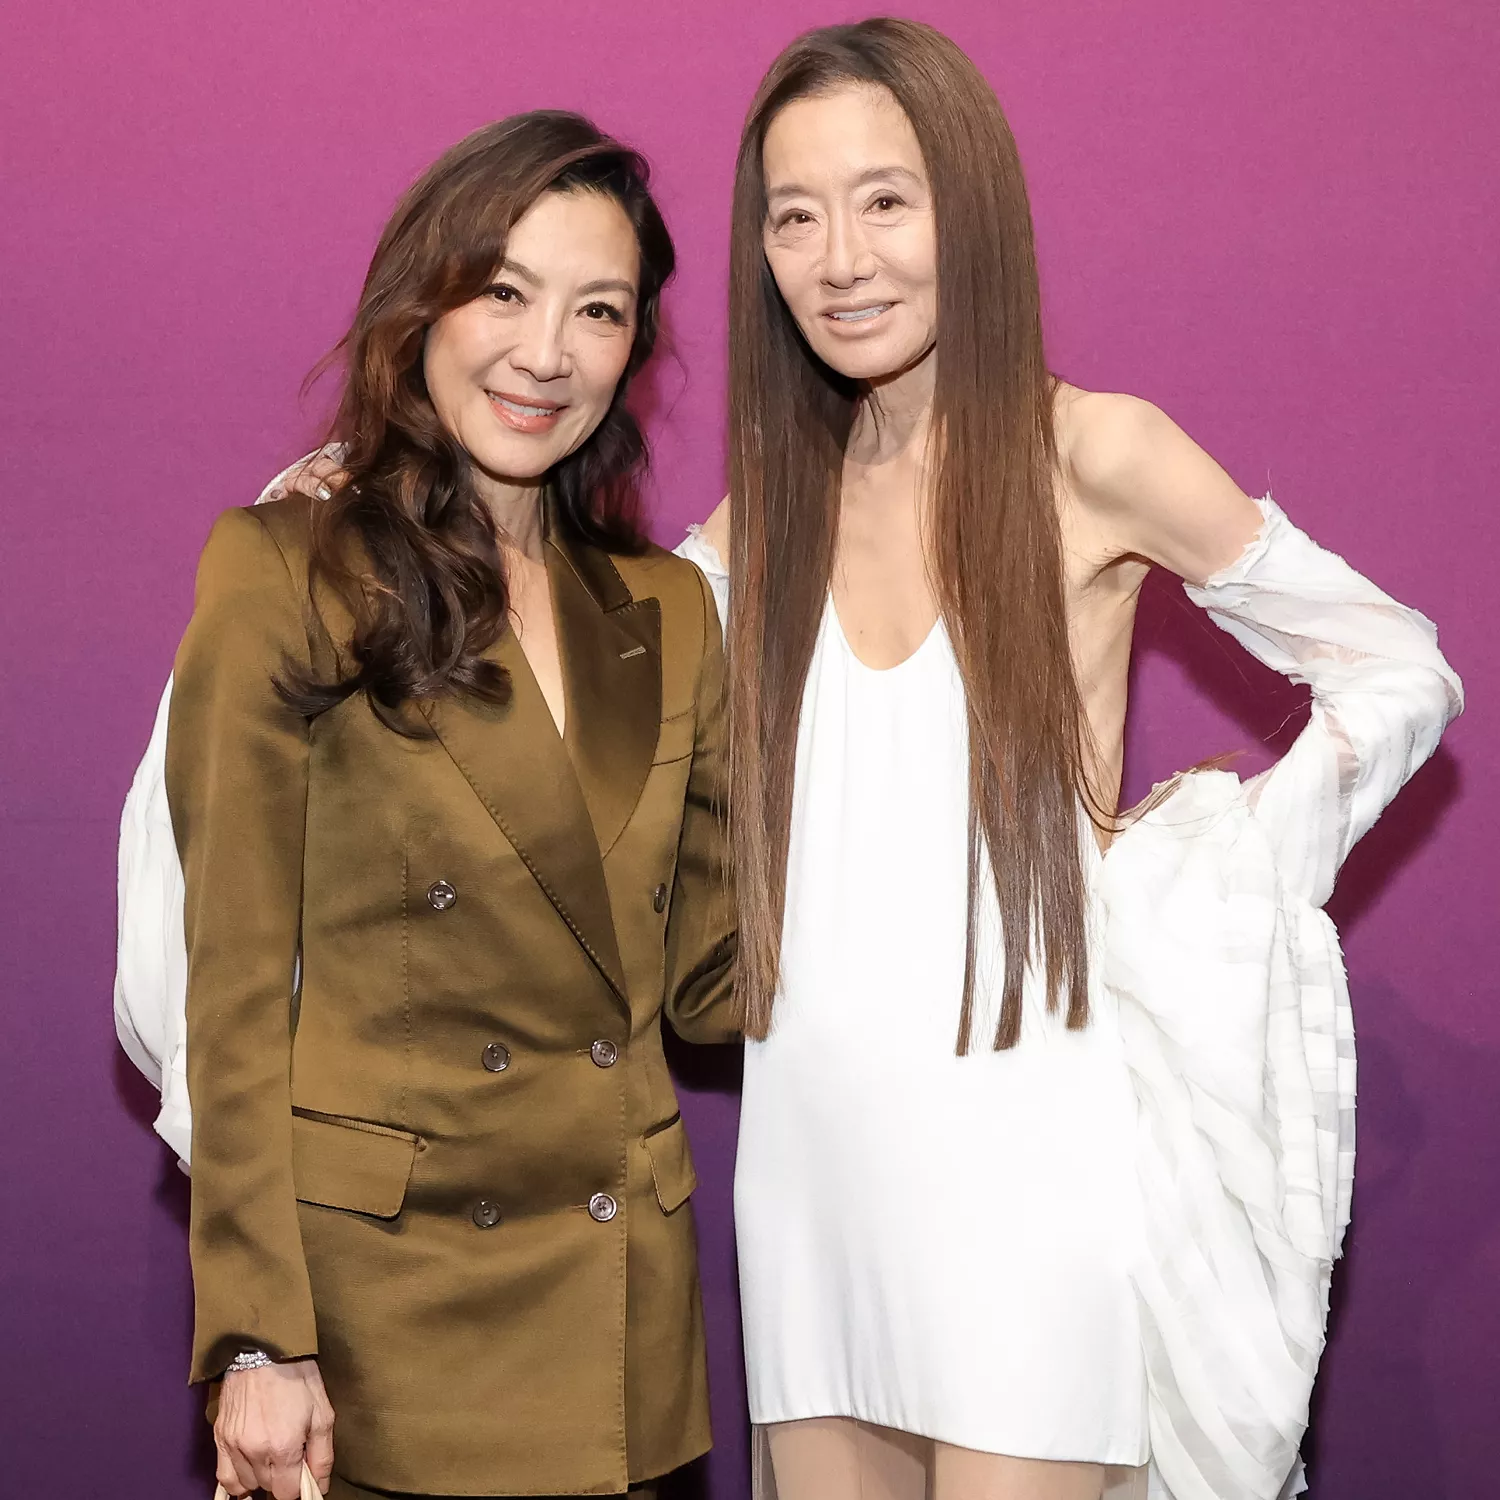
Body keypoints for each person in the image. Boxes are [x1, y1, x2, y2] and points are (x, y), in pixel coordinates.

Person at [694, 18, 1464, 1500]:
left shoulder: (1093, 451)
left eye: (886, 199)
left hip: (1024, 1163)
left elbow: (1396, 668)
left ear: (967, 207)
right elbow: (553, 659)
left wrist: (1204, 868)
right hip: (807, 1169)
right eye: (795, 217)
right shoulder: (754, 525)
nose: (841, 256)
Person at [121, 110, 736, 1500]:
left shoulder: (671, 610)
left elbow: (709, 979)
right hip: (380, 1330)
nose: (546, 351)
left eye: (600, 310)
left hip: (614, 1325)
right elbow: (227, 993)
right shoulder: (288, 569)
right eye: (504, 292)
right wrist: (260, 1340)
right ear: (423, 304)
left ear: (635, 352)